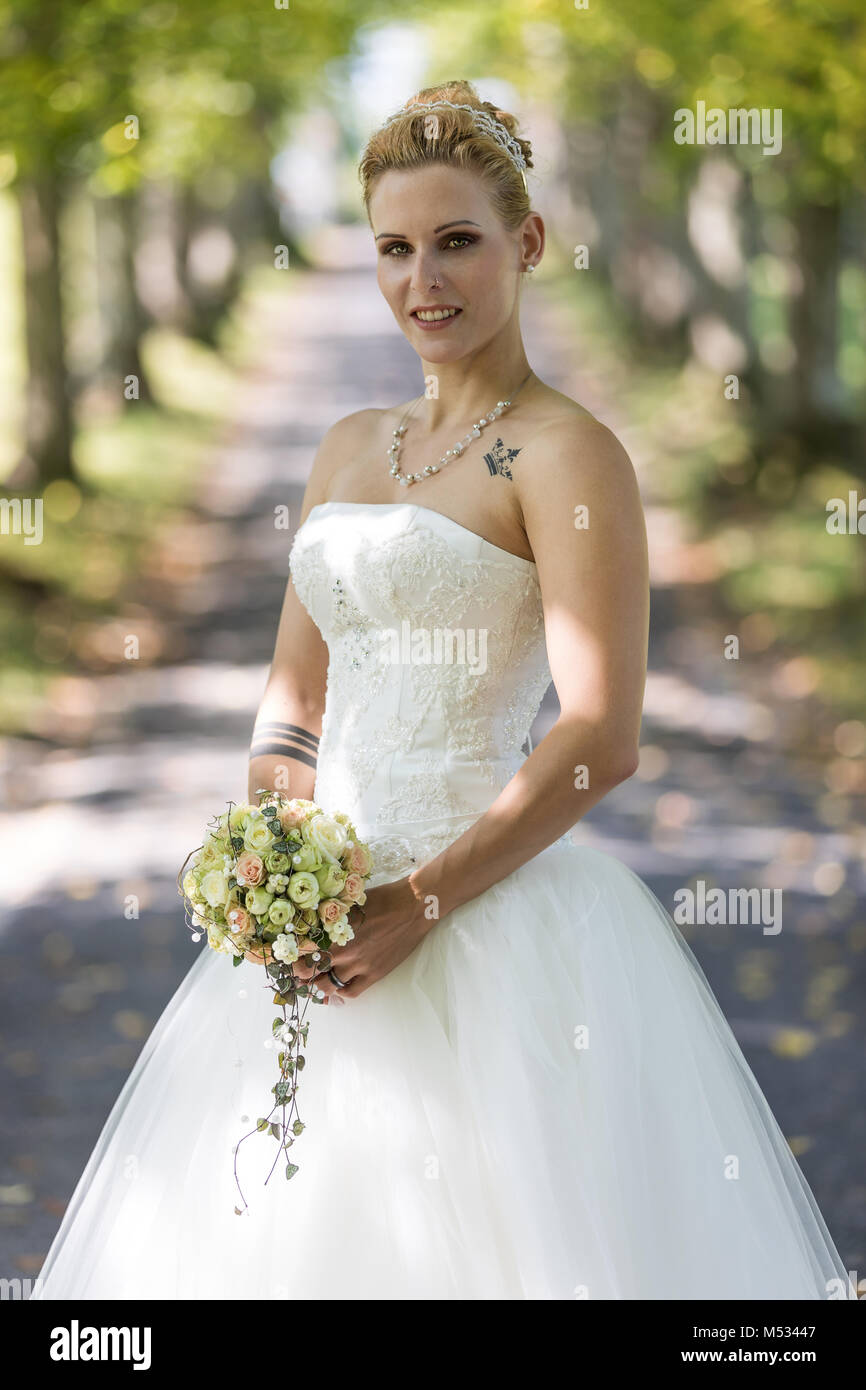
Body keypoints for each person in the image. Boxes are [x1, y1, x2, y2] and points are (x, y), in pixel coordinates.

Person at [33, 79, 849, 1300]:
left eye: (457, 241)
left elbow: (602, 736)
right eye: (396, 248)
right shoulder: (349, 446)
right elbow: (293, 694)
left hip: (486, 916)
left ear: (523, 243)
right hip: (321, 925)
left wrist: (416, 902)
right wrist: (272, 842)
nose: (425, 280)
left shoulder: (568, 454)